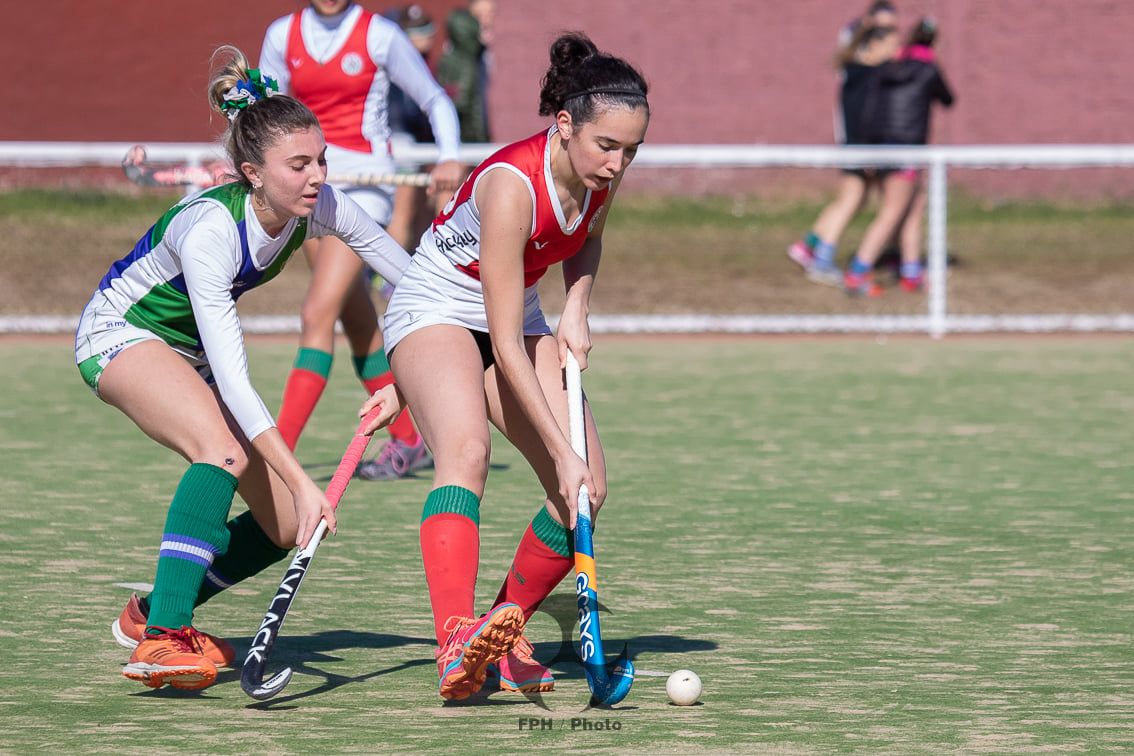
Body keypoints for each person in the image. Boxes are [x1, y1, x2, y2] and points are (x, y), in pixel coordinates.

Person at [76, 46, 409, 690]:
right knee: (221, 453)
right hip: (119, 335)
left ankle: (153, 613)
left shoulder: (321, 207)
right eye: (298, 165)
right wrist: (301, 476)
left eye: (320, 160)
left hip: (185, 352)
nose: (317, 176)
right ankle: (164, 643)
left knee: (284, 525)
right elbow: (233, 376)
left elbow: (411, 276)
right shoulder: (210, 233)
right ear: (253, 173)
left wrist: (476, 322)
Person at [258, 0, 464, 480]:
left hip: (366, 190)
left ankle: (274, 460)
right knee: (354, 316)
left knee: (316, 313)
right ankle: (410, 440)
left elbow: (435, 99)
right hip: (309, 190)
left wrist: (450, 157)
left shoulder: (379, 35)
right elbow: (260, 116)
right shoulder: (280, 36)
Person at [787, 1, 901, 285]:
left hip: (858, 145)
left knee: (855, 198)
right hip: (857, 146)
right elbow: (863, 117)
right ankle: (821, 257)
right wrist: (868, 150)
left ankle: (808, 246)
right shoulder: (863, 71)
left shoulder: (861, 69)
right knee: (851, 198)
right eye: (885, 30)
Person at [842, 16, 955, 296]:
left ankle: (911, 273)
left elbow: (870, 111)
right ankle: (857, 272)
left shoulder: (888, 69)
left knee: (913, 209)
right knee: (892, 212)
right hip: (906, 150)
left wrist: (868, 148)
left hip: (882, 148)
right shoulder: (927, 70)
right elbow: (948, 99)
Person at [382, 4, 453, 254]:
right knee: (402, 213)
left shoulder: (422, 62)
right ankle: (386, 277)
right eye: (414, 32)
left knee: (419, 209)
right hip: (401, 143)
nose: (422, 37)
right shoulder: (397, 63)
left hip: (416, 144)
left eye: (424, 30)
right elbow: (404, 111)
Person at [436, 0, 496, 144]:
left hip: (476, 136)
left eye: (490, 14)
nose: (486, 20)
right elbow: (457, 104)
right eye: (480, 15)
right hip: (465, 141)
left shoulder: (479, 53)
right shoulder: (461, 56)